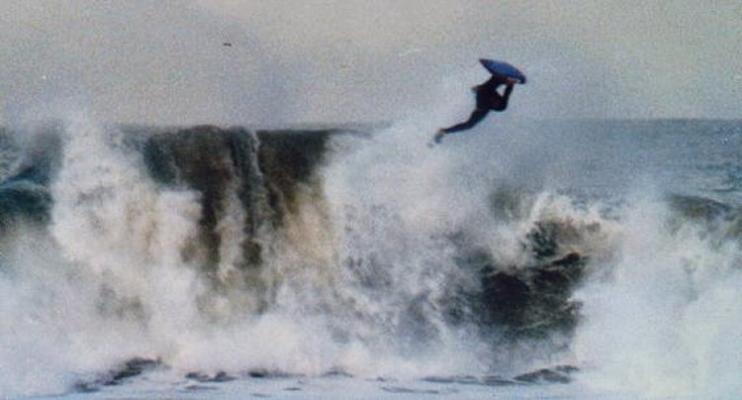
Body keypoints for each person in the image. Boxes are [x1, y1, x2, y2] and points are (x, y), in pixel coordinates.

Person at [434, 75, 518, 143]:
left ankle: (443, 131)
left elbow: (503, 94)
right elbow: (506, 93)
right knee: (489, 87)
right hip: (485, 95)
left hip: (482, 103)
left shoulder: (492, 104)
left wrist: (509, 85)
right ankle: (444, 131)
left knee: (469, 125)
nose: (494, 102)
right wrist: (510, 85)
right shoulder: (497, 101)